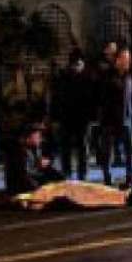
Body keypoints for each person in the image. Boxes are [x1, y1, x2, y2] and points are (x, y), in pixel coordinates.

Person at [97, 46, 132, 188]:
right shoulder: (107, 76)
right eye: (125, 58)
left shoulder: (128, 76)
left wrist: (131, 111)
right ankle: (107, 179)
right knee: (107, 152)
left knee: (130, 150)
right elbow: (102, 99)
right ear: (118, 60)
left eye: (129, 59)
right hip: (110, 121)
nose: (128, 61)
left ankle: (130, 179)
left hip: (126, 120)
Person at [50, 48, 93, 180]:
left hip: (82, 118)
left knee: (82, 147)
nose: (77, 67)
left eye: (79, 65)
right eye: (76, 65)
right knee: (67, 147)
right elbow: (57, 98)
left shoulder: (87, 78)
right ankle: (67, 172)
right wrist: (55, 117)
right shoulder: (64, 78)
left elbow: (92, 99)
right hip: (67, 117)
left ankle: (82, 173)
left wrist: (91, 117)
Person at [4, 123, 65, 195]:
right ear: (28, 138)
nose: (40, 139)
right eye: (37, 136)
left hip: (34, 179)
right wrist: (41, 188)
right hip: (21, 186)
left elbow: (50, 162)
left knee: (59, 178)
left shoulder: (37, 148)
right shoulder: (17, 152)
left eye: (40, 136)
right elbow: (23, 176)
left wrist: (48, 163)